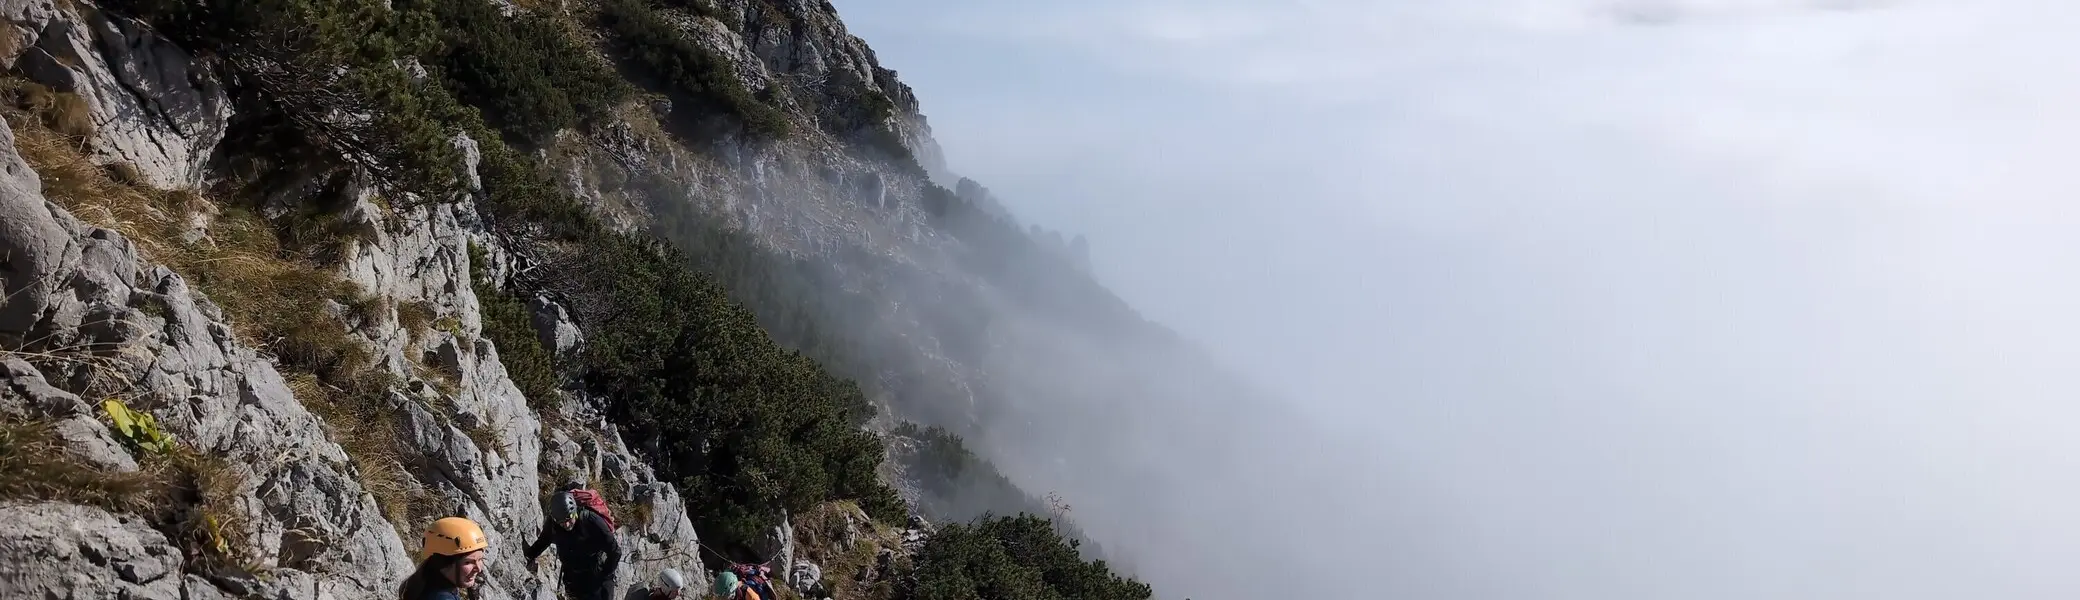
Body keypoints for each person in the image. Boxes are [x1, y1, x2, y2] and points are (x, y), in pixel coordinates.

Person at [525, 489, 623, 600]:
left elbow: (615, 551)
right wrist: (528, 557)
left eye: (568, 518)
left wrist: (604, 575)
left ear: (575, 511)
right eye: (561, 521)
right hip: (573, 580)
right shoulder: (554, 524)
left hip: (596, 577)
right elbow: (543, 542)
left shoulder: (591, 521)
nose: (566, 524)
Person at [398, 517, 490, 600]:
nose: (478, 568)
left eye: (480, 559)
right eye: (468, 562)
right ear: (445, 563)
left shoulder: (424, 582)